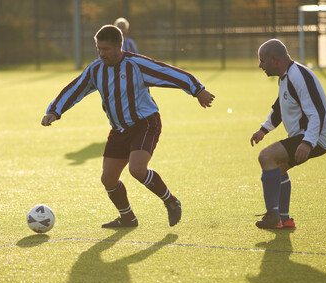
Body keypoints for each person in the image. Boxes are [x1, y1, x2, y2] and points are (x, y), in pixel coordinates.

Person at [42, 25, 215, 228]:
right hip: (119, 129)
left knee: (137, 169)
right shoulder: (95, 69)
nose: (101, 53)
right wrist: (54, 110)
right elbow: (75, 89)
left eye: (106, 49)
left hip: (145, 123)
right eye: (99, 48)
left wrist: (197, 90)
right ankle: (128, 218)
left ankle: (171, 201)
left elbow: (168, 72)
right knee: (108, 179)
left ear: (119, 46)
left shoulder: (136, 65)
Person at [250, 39, 326, 229]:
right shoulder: (287, 76)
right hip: (308, 137)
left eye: (263, 61)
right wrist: (264, 129)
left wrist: (308, 142)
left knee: (266, 156)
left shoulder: (299, 76)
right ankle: (285, 219)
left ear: (275, 59)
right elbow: (280, 107)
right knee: (277, 170)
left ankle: (273, 216)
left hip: (315, 137)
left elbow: (317, 112)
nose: (260, 65)